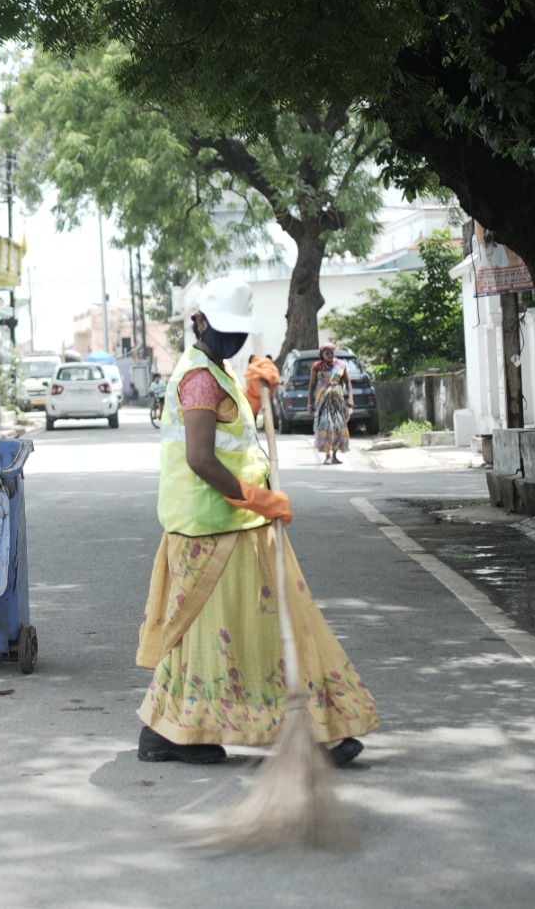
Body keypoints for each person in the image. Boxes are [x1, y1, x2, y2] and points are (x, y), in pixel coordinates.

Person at [136, 277, 376, 765]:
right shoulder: (198, 376)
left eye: (239, 332)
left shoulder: (213, 369)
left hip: (230, 524)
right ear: (199, 321)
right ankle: (299, 730)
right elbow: (202, 458)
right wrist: (258, 500)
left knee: (231, 628)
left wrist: (248, 389)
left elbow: (227, 425)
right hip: (213, 526)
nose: (233, 339)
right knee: (257, 626)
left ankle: (173, 732)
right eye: (223, 330)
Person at [309, 342, 354, 465]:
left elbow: (348, 383)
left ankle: (334, 455)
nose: (329, 355)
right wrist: (309, 404)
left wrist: (350, 398)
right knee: (326, 428)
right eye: (326, 353)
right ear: (322, 354)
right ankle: (327, 455)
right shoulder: (317, 366)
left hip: (338, 402)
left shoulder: (341, 365)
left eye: (331, 353)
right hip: (323, 403)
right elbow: (312, 386)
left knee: (338, 428)